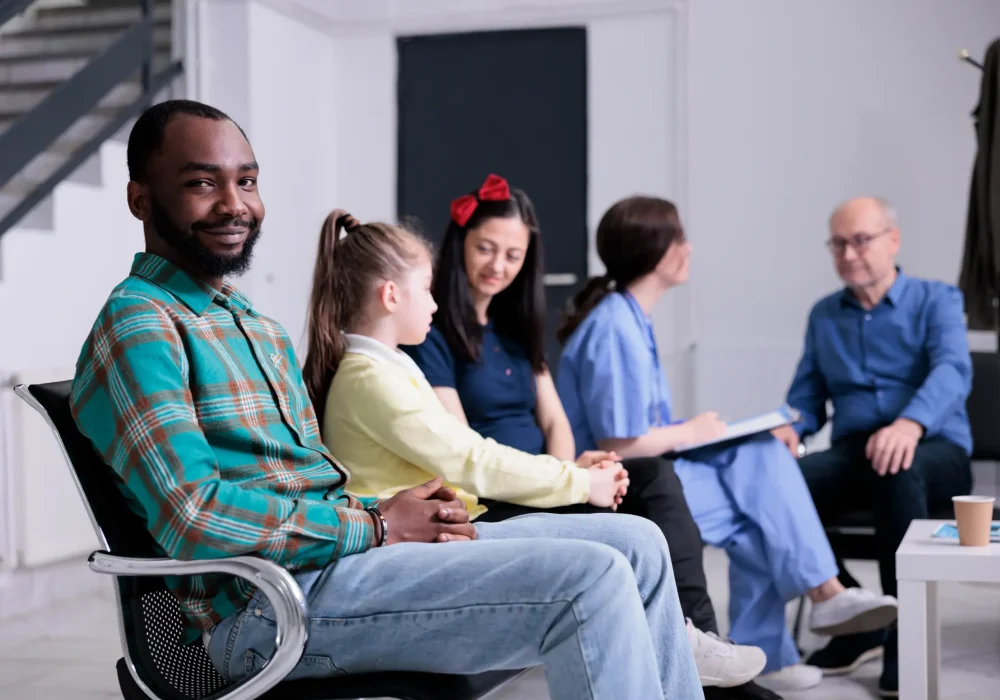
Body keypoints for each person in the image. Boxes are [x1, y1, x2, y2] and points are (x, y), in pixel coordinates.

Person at [68, 99, 703, 700]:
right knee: (592, 579)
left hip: (340, 565)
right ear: (140, 199)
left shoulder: (254, 326)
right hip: (270, 610)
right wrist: (375, 525)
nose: (235, 204)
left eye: (248, 181)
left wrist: (392, 513)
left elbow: (310, 489)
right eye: (203, 183)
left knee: (638, 543)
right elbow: (194, 517)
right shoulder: (141, 323)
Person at [401, 174, 774, 698]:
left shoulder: (514, 330)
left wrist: (567, 472)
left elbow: (555, 421)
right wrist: (561, 481)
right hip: (496, 495)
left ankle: (701, 640)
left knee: (651, 476)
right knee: (640, 499)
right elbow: (465, 449)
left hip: (544, 482)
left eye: (513, 255)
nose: (498, 265)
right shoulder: (433, 333)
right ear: (460, 243)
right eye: (485, 248)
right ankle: (704, 658)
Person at [555, 195, 900, 693]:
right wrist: (695, 431)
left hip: (647, 472)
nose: (689, 248)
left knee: (757, 489)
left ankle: (779, 643)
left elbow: (642, 427)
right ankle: (824, 595)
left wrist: (699, 430)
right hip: (619, 485)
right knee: (757, 490)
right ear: (654, 250)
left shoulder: (631, 318)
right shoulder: (614, 327)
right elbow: (620, 442)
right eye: (680, 238)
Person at [772, 196, 973, 698]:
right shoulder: (825, 315)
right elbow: (806, 396)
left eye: (861, 241)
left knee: (895, 467)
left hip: (934, 447)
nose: (848, 254)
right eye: (838, 243)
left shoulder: (937, 300)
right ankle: (859, 618)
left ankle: (905, 634)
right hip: (855, 450)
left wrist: (910, 423)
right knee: (777, 483)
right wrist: (790, 427)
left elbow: (953, 370)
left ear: (893, 240)